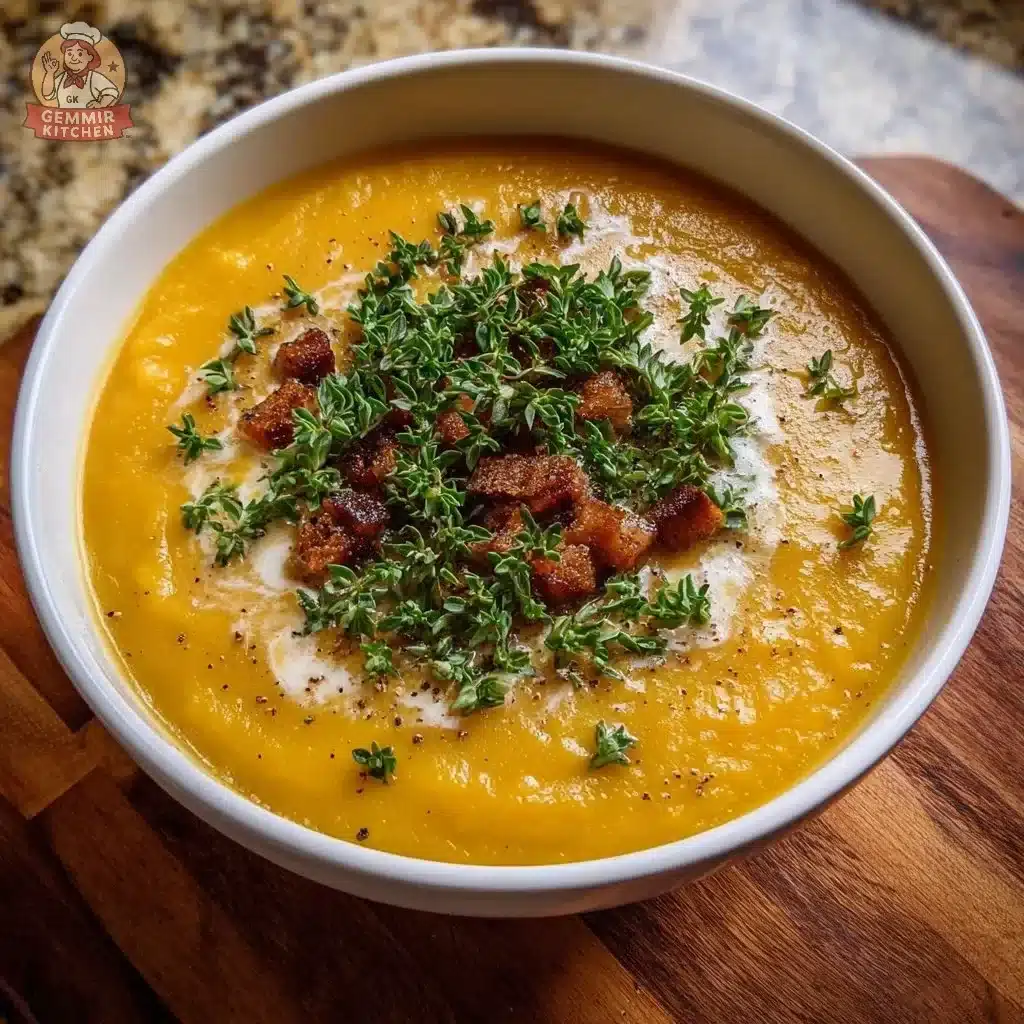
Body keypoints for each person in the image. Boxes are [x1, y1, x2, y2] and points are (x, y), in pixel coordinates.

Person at [39, 22, 119, 109]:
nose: (74, 58)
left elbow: (111, 92)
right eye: (69, 53)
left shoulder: (93, 77)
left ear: (90, 57)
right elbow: (48, 94)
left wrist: (101, 104)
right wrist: (50, 74)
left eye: (80, 54)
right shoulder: (62, 77)